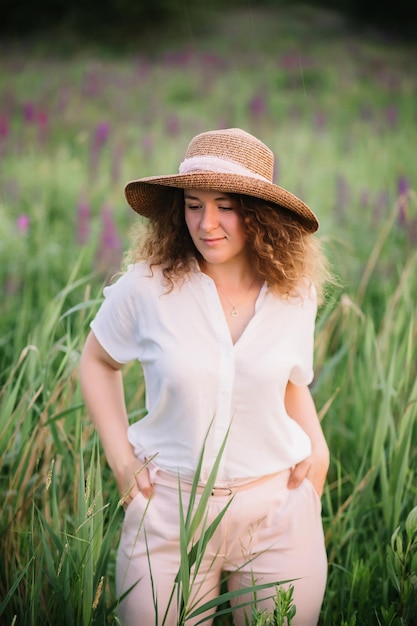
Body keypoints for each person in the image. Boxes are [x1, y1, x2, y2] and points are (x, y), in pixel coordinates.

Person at [80, 127, 331, 626]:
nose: (206, 223)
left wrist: (317, 450)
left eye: (225, 206)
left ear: (259, 215)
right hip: (170, 516)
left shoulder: (294, 294)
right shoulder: (148, 287)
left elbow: (288, 380)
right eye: (193, 205)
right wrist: (120, 460)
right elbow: (96, 361)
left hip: (276, 515)